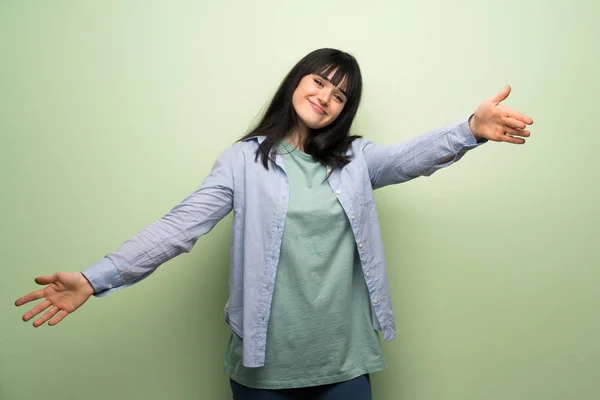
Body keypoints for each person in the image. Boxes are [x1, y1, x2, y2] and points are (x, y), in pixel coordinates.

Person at [15, 48, 533, 399]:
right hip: (265, 365)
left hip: (344, 359)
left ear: (343, 111)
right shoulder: (241, 162)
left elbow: (407, 158)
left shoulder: (356, 160)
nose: (325, 98)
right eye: (318, 82)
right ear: (296, 83)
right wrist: (93, 277)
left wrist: (469, 130)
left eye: (339, 96)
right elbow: (179, 228)